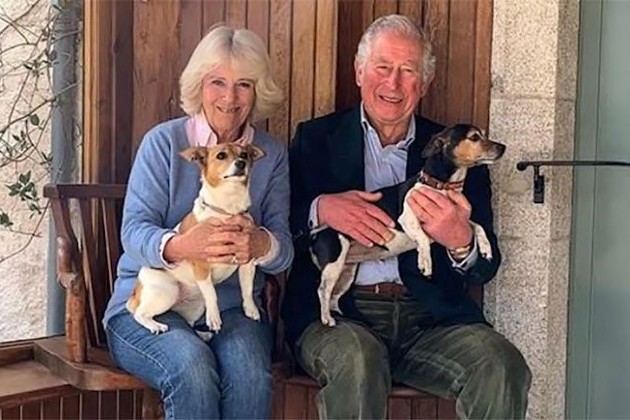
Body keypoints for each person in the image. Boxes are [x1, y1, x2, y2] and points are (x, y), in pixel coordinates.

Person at [283, 14, 531, 419]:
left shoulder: (457, 153)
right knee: (357, 363)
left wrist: (460, 241)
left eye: (408, 71)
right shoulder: (315, 138)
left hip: (432, 321)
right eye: (383, 67)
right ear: (359, 72)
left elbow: (486, 268)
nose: (393, 83)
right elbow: (277, 226)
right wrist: (320, 208)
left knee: (502, 366)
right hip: (342, 317)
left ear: (425, 82)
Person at [103, 25, 293, 419]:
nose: (230, 97)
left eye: (243, 84)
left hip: (233, 310)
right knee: (192, 370)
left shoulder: (270, 155)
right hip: (150, 302)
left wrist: (261, 244)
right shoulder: (163, 143)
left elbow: (284, 250)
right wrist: (181, 245)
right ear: (199, 86)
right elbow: (133, 231)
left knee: (250, 377)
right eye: (217, 82)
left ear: (257, 91)